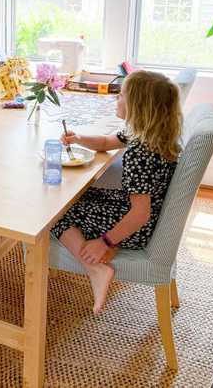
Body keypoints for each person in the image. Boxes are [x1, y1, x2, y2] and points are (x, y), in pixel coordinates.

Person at [52, 70, 182, 314]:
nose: (116, 99)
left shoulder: (139, 154)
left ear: (137, 106)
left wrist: (105, 242)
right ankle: (100, 256)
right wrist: (78, 138)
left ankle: (95, 268)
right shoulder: (152, 135)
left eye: (121, 96)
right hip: (143, 217)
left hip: (136, 227)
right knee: (75, 198)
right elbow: (105, 142)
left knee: (54, 212)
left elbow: (139, 214)